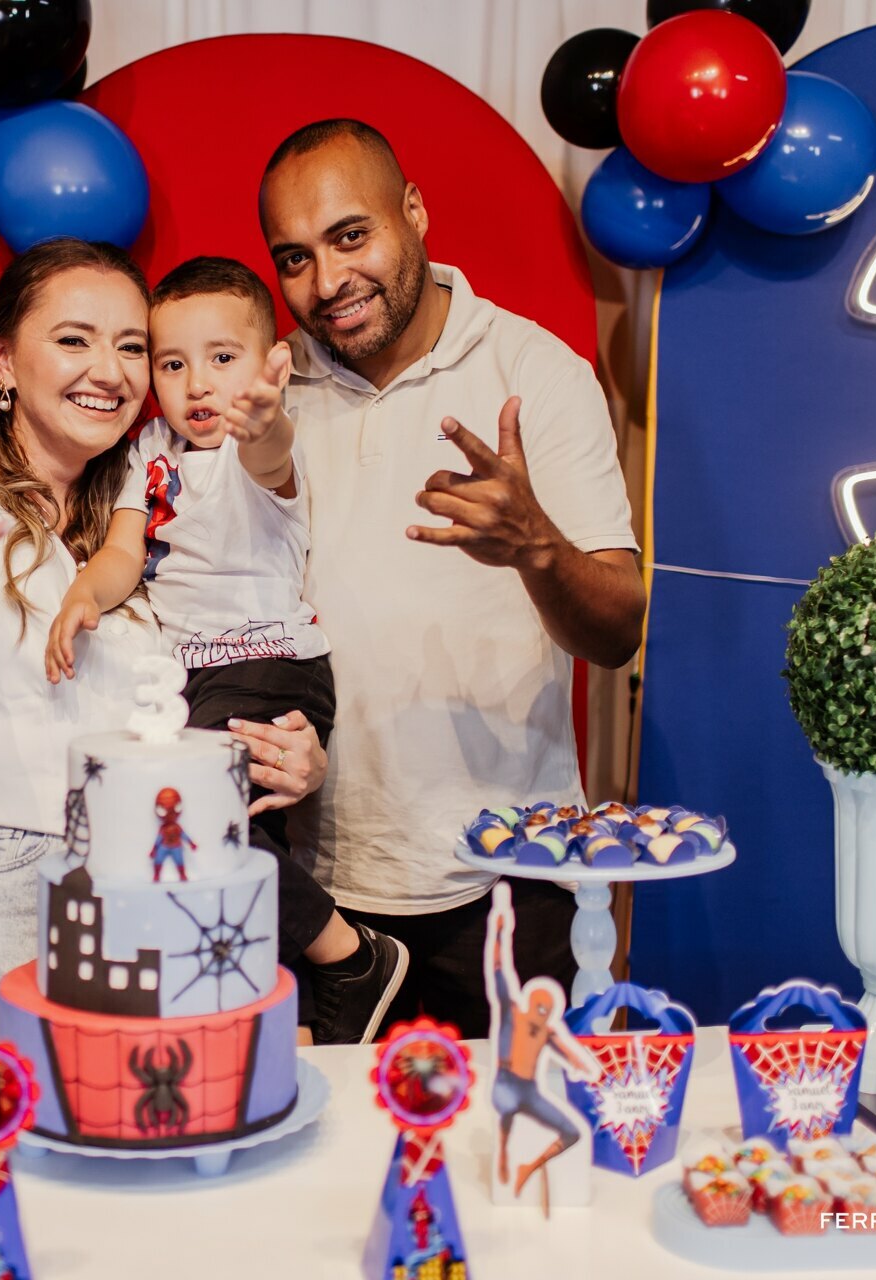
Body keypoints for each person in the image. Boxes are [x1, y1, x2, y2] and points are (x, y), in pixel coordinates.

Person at [0, 238, 328, 1055]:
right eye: (74, 339)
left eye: (132, 347)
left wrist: (294, 753)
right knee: (24, 1168)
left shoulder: (151, 517)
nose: (109, 369)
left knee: (152, 1168)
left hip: (152, 890)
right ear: (2, 359)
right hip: (8, 895)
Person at [254, 119, 647, 1036]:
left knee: (518, 1148)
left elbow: (618, 628)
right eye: (295, 257)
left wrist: (536, 547)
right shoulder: (272, 398)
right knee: (330, 1162)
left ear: (416, 213)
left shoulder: (534, 372)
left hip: (516, 870)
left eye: (352, 237)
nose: (328, 282)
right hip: (323, 888)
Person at [43, 256, 409, 1044]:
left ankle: (353, 957)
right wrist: (84, 592)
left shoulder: (262, 440)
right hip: (195, 680)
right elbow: (124, 552)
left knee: (198, 828)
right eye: (173, 364)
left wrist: (266, 416)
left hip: (270, 663)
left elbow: (269, 455)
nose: (198, 385)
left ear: (267, 361)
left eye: (222, 359)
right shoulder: (150, 450)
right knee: (240, 852)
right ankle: (302, 1022)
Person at [488, 905, 601, 1196]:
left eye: (548, 1008)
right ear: (529, 1001)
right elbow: (501, 970)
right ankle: (502, 1153)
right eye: (539, 1004)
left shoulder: (548, 1032)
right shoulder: (513, 1013)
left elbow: (569, 1051)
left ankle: (530, 1165)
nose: (543, 1010)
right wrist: (500, 933)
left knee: (572, 1132)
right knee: (506, 1111)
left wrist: (590, 1070)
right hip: (506, 1082)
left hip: (530, 1089)